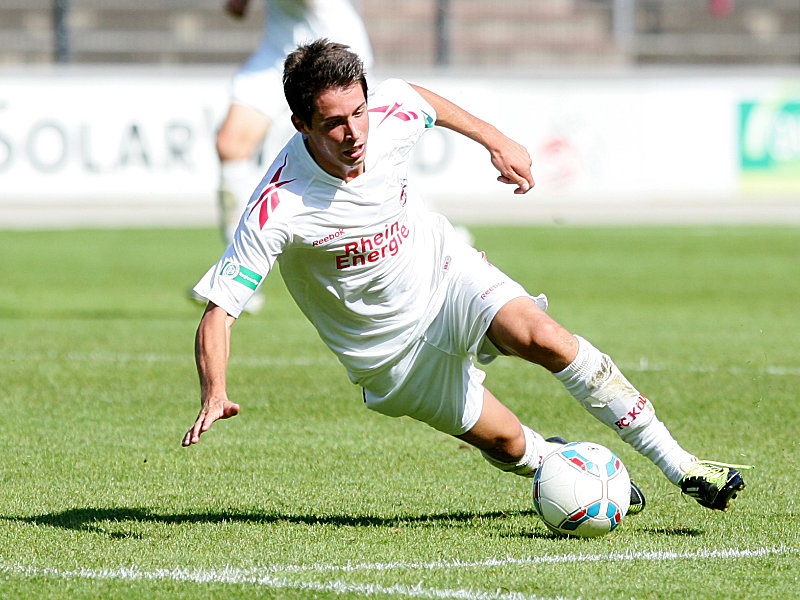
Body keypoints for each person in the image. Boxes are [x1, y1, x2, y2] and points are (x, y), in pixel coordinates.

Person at [183, 39, 751, 513]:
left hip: (447, 275)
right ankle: (556, 462)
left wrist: (497, 142)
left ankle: (683, 466)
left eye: (358, 112)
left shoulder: (388, 111)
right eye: (334, 124)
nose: (355, 133)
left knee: (544, 338)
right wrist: (216, 392)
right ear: (301, 122)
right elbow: (219, 311)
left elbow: (422, 100)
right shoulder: (279, 204)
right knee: (508, 444)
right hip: (392, 358)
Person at [211, 0, 373, 312]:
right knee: (231, 144)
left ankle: (430, 236)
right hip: (279, 51)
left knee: (356, 162)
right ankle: (237, 279)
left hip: (329, 49)